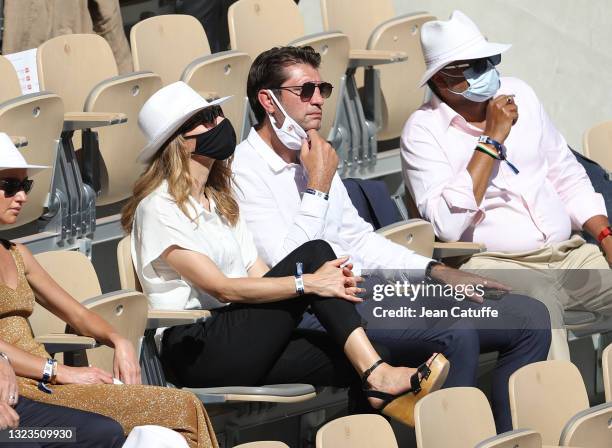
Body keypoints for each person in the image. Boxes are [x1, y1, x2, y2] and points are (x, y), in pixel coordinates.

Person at [230, 45, 551, 432]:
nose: (318, 101)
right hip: (319, 310)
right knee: (454, 333)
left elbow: (360, 240)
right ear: (268, 100)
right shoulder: (243, 171)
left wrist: (434, 271)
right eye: (305, 91)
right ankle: (455, 439)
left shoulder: (316, 154)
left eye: (323, 89)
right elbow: (291, 264)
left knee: (531, 318)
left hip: (371, 292)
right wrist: (317, 185)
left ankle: (507, 436)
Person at [122, 81, 451, 428]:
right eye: (205, 118)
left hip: (243, 332)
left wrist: (322, 290)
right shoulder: (158, 207)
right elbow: (222, 288)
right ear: (179, 141)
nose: (220, 122)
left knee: (365, 357)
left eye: (217, 112)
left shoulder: (219, 200)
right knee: (314, 254)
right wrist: (309, 283)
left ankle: (375, 382)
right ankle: (378, 374)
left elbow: (260, 275)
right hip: (197, 346)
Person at [400, 10, 612, 361]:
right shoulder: (422, 131)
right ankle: (556, 410)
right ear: (442, 79)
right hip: (494, 264)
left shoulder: (521, 95)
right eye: (476, 65)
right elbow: (447, 227)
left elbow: (568, 176)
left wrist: (605, 236)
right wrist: (491, 140)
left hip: (568, 254)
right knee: (539, 306)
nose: (490, 71)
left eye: (490, 60)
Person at [0, 133, 217, 448]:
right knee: (177, 410)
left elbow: (76, 312)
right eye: (9, 186)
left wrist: (118, 341)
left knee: (181, 407)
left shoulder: (18, 254)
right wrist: (60, 372)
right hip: (26, 384)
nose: (20, 196)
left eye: (25, 186)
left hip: (51, 380)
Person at [0, 342, 126, 447]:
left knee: (105, 433)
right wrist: (55, 371)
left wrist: (2, 358)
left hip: (16, 408)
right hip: (8, 425)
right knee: (19, 442)